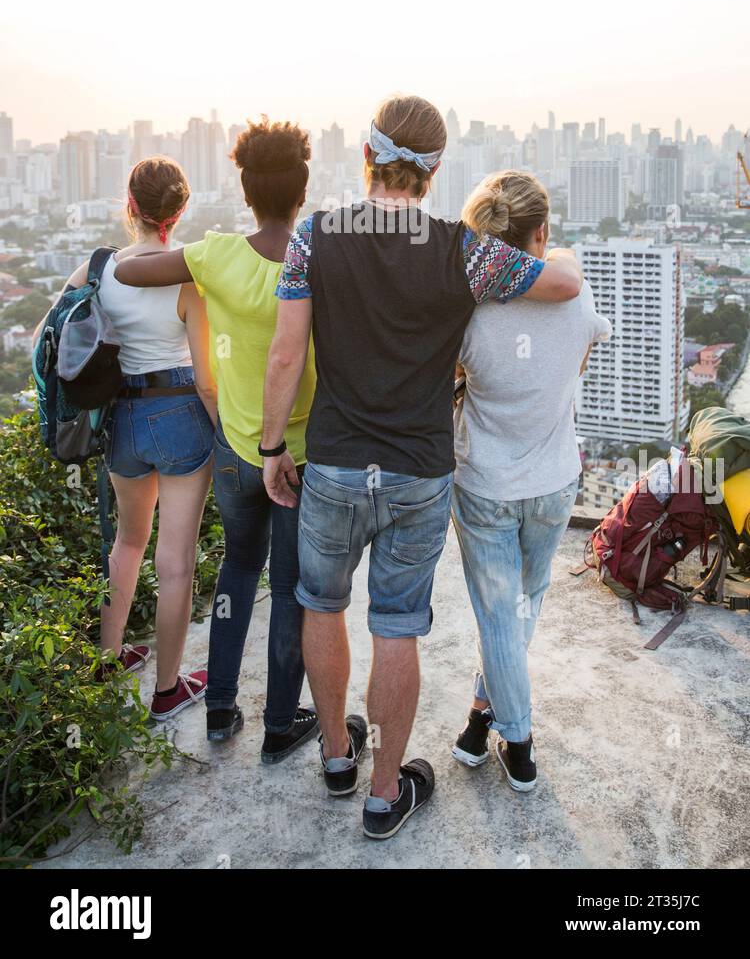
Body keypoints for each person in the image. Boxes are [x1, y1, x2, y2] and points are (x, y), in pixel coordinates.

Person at [261, 94, 583, 841]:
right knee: (398, 626)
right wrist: (557, 253)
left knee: (322, 605)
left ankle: (338, 758)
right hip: (419, 472)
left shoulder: (316, 236)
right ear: (435, 171)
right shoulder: (462, 250)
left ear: (367, 157)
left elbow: (286, 354)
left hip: (336, 463)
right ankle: (383, 796)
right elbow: (560, 284)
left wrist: (273, 447)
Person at [115, 119, 319, 760]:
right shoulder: (319, 257)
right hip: (301, 454)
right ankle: (282, 724)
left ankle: (221, 707)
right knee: (289, 588)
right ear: (303, 187)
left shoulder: (215, 255)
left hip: (234, 449)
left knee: (236, 569)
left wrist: (120, 251)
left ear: (245, 188)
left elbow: (132, 274)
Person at [451, 170, 611, 790]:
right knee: (520, 606)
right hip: (553, 483)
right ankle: (487, 723)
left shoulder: (468, 309)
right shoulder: (578, 293)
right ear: (543, 230)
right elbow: (578, 361)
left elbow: (449, 385)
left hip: (486, 484)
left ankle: (512, 738)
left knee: (498, 616)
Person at [53, 157, 217, 720]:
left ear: (131, 206)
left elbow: (58, 329)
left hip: (120, 418)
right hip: (179, 417)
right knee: (175, 562)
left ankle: (107, 658)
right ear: (181, 210)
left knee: (126, 541)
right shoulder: (185, 277)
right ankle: (169, 690)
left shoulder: (98, 268)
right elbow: (205, 376)